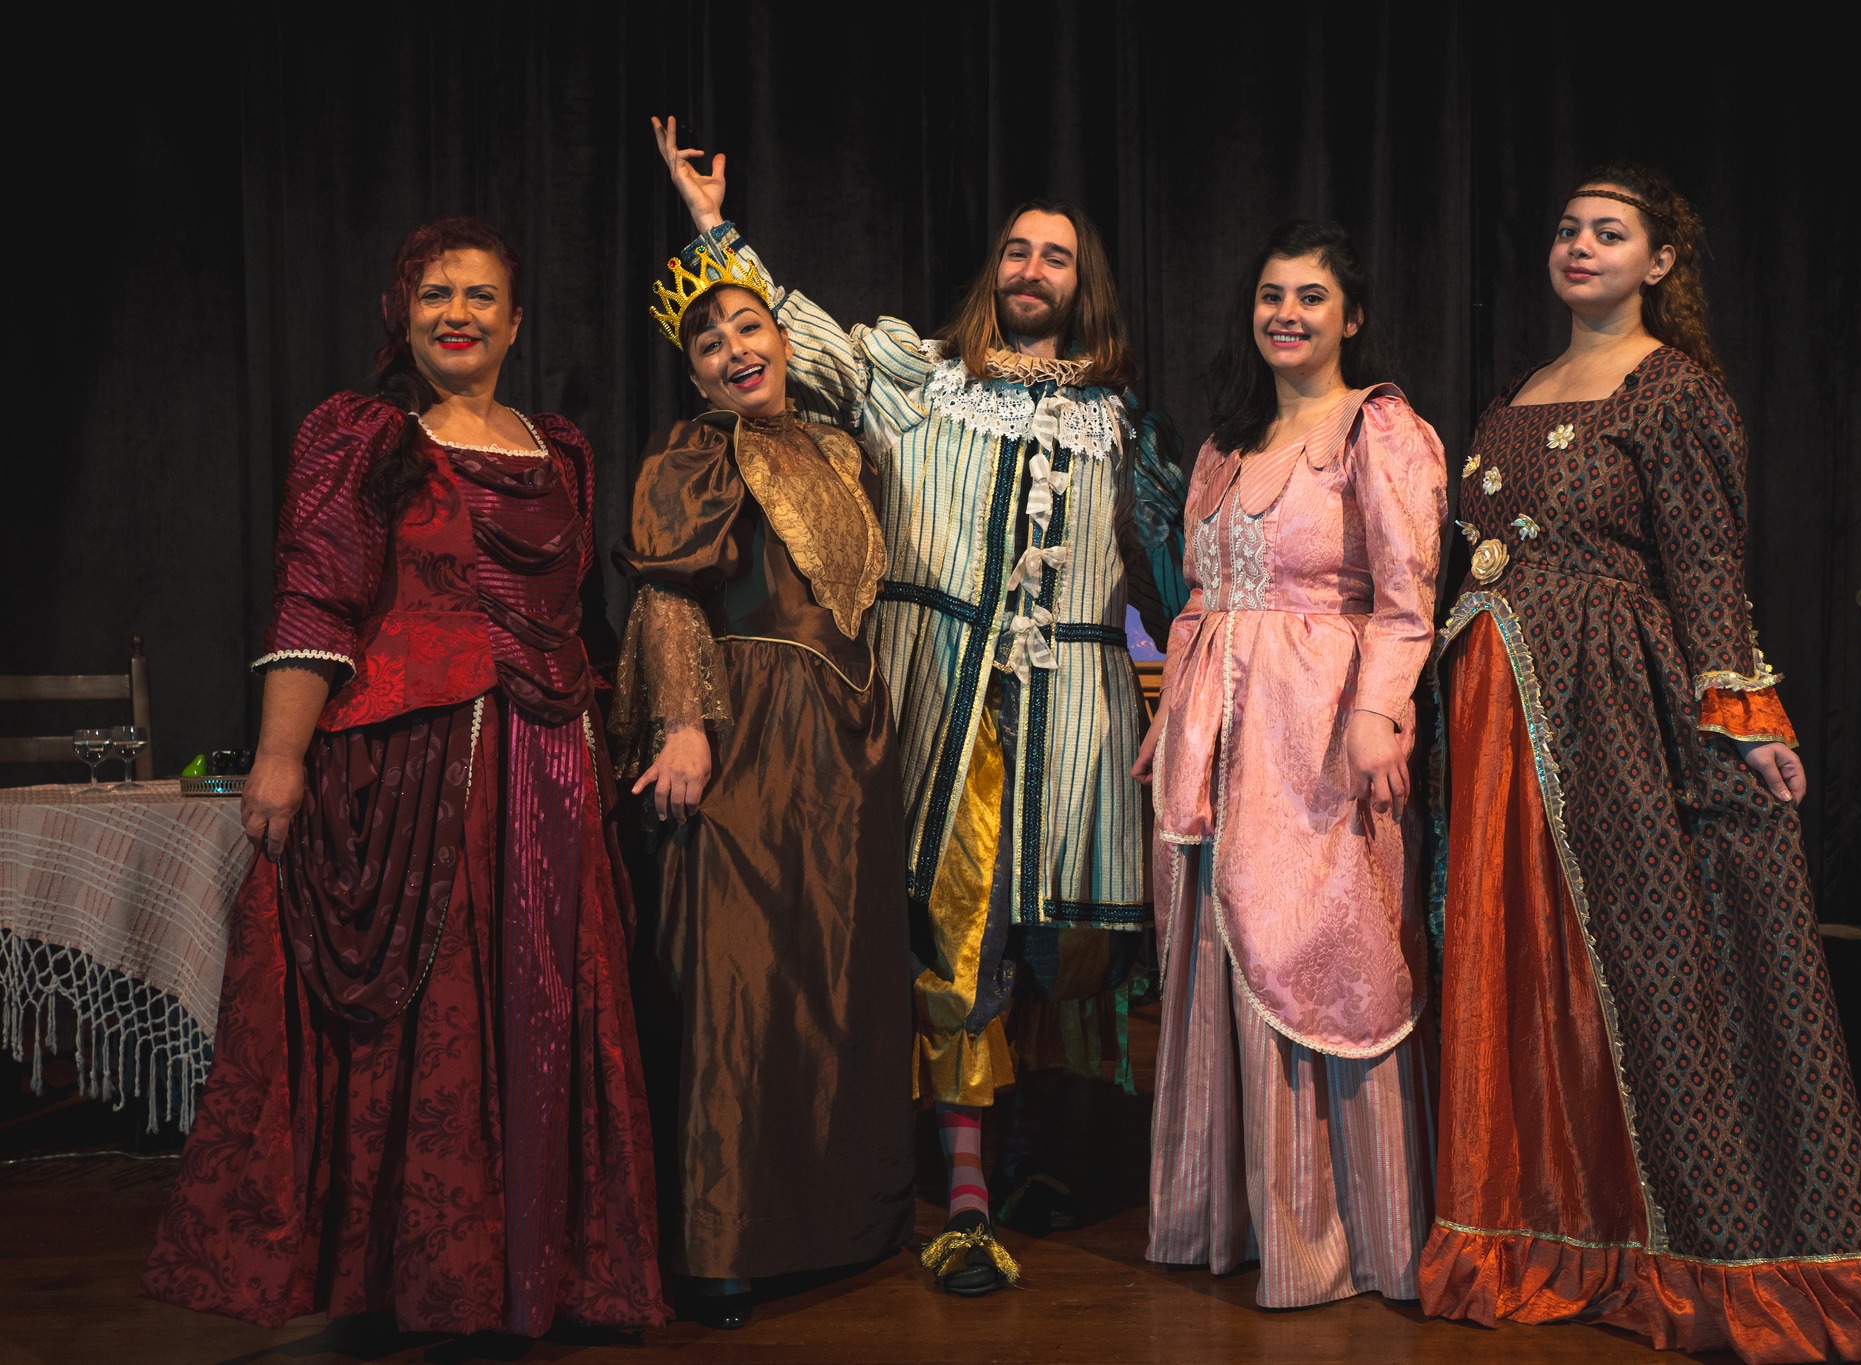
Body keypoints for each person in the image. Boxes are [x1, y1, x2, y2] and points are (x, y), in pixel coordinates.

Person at [648, 119, 1187, 1293]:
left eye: (1054, 256)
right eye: (1017, 251)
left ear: (1082, 282)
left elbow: (1177, 575)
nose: (1031, 270)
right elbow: (788, 334)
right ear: (994, 270)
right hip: (941, 711)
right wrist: (713, 228)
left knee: (1060, 946)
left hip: (1075, 724)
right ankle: (963, 1193)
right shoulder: (917, 380)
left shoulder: (1119, 423)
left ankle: (1043, 1155)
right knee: (953, 940)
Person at [1418, 164, 1861, 1362]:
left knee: (1642, 966)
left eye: (1607, 233)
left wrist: (1744, 717)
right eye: (1566, 229)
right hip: (1495, 707)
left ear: (1658, 261)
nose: (1578, 246)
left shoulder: (1670, 390)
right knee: (1521, 963)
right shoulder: (1518, 392)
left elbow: (1705, 564)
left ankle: (1688, 1245)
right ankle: (1537, 1228)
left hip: (1605, 705)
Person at [141, 219, 669, 1336]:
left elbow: (582, 617)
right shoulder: (364, 437)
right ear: (404, 315)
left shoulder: (561, 450)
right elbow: (314, 598)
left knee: (545, 1002)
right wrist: (279, 755)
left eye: (480, 297)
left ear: (515, 323)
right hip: (421, 769)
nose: (457, 314)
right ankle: (433, 1285)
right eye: (436, 295)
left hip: (553, 764)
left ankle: (545, 1277)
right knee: (441, 1018)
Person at [1132, 221, 1445, 1308]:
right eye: (1272, 295)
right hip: (1211, 734)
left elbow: (1406, 597)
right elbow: (1197, 599)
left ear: (1351, 318)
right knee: (1217, 948)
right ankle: (1223, 1218)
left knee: (1317, 950)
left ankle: (1339, 1236)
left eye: (1311, 297)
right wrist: (1169, 712)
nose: (1287, 314)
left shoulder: (1377, 428)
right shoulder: (1226, 445)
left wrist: (1378, 711)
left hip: (1314, 729)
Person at [609, 259, 914, 1328]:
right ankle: (724, 1240)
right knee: (736, 971)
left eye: (749, 327)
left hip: (849, 735)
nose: (735, 349)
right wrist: (683, 724)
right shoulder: (695, 452)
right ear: (694, 375)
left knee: (832, 970)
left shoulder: (842, 447)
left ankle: (838, 1223)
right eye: (709, 343)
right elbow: (667, 595)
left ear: (785, 341)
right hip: (747, 723)